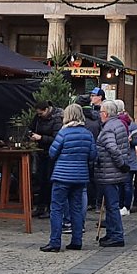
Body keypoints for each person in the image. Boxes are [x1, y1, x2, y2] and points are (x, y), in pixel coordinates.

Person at [41, 103, 97, 252]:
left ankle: (55, 242)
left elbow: (52, 153)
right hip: (80, 176)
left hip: (62, 176)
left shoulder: (63, 133)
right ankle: (77, 241)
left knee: (57, 208)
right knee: (76, 209)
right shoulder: (88, 134)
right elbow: (93, 155)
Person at [95, 100, 130, 247]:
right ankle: (111, 233)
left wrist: (121, 164)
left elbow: (113, 149)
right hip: (114, 172)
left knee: (112, 205)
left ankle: (116, 235)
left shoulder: (108, 128)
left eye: (101, 112)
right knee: (112, 205)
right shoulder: (119, 124)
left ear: (106, 113)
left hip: (109, 171)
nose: (99, 115)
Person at [29, 100, 63, 219]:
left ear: (47, 109)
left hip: (51, 154)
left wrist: (41, 138)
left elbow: (57, 139)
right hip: (41, 152)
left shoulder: (57, 119)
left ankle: (50, 208)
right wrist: (30, 134)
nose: (39, 116)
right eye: (38, 114)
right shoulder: (38, 118)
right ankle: (40, 207)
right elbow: (31, 127)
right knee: (41, 180)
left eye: (41, 113)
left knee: (49, 181)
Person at [113, 99, 137, 216]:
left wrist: (131, 140)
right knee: (120, 184)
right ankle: (120, 205)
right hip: (119, 157)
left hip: (129, 159)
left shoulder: (131, 124)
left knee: (127, 184)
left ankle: (126, 206)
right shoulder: (114, 123)